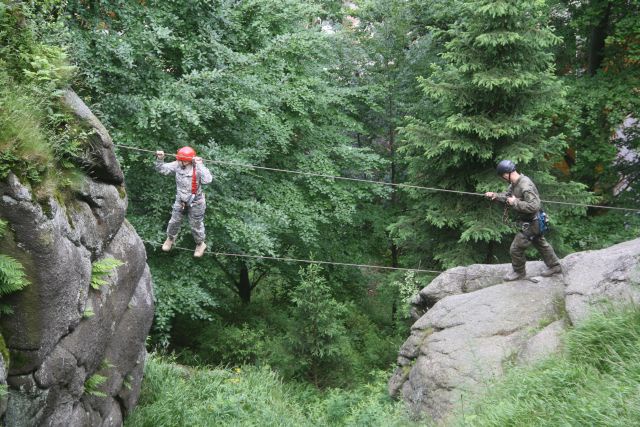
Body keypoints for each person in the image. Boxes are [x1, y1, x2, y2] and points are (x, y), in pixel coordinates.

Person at [484, 160, 562, 281]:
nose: (503, 178)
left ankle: (519, 272)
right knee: (540, 243)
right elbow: (507, 196)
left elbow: (534, 206)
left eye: (502, 176)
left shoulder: (525, 185)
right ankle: (555, 266)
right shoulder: (514, 183)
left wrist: (515, 202)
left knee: (516, 248)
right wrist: (495, 195)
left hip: (533, 222)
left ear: (506, 174)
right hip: (531, 221)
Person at [155, 146, 213, 258]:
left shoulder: (197, 168)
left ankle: (200, 244)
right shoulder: (177, 164)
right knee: (174, 221)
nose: (179, 161)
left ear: (187, 161)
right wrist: (160, 158)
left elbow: (208, 180)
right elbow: (161, 169)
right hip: (180, 200)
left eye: (181, 160)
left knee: (195, 225)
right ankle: (170, 238)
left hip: (196, 202)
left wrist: (200, 164)